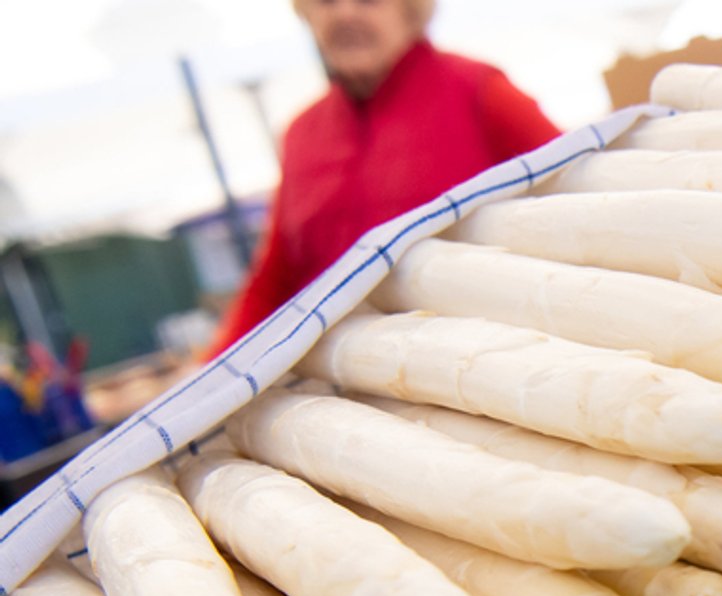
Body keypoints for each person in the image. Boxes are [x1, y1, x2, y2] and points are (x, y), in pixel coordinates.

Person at [211, 0, 559, 352]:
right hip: (357, 379)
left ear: (410, 10)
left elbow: (576, 197)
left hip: (494, 355)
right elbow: (275, 280)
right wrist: (205, 376)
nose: (345, 14)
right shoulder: (301, 134)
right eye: (326, 2)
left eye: (368, 0)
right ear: (307, 15)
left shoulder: (479, 91)